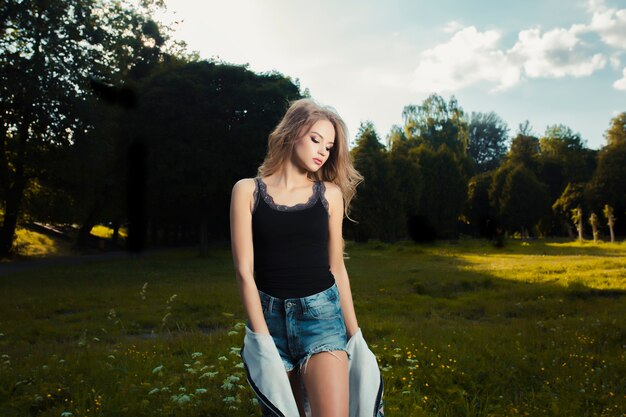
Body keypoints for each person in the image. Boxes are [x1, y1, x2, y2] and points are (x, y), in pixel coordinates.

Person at [230, 98, 373, 417]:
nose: (323, 150)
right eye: (315, 139)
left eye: (330, 145)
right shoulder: (247, 191)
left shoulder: (330, 195)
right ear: (292, 133)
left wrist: (355, 336)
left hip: (321, 318)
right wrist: (261, 338)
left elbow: (337, 267)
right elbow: (244, 271)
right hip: (268, 321)